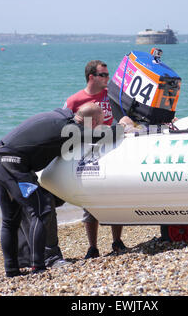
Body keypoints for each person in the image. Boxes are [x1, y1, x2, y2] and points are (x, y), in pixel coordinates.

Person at [0, 103, 132, 277]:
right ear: (92, 122)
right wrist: (123, 125)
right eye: (99, 123)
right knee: (41, 210)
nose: (100, 126)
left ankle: (11, 270)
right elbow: (103, 136)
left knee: (10, 220)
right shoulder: (71, 129)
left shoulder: (60, 117)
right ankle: (38, 266)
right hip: (14, 166)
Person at [64, 60, 126, 259]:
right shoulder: (74, 101)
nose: (108, 78)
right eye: (104, 75)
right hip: (87, 155)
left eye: (108, 75)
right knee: (90, 202)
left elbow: (126, 116)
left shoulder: (112, 96)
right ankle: (93, 247)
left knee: (116, 196)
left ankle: (117, 241)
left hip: (113, 149)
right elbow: (64, 126)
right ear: (91, 77)